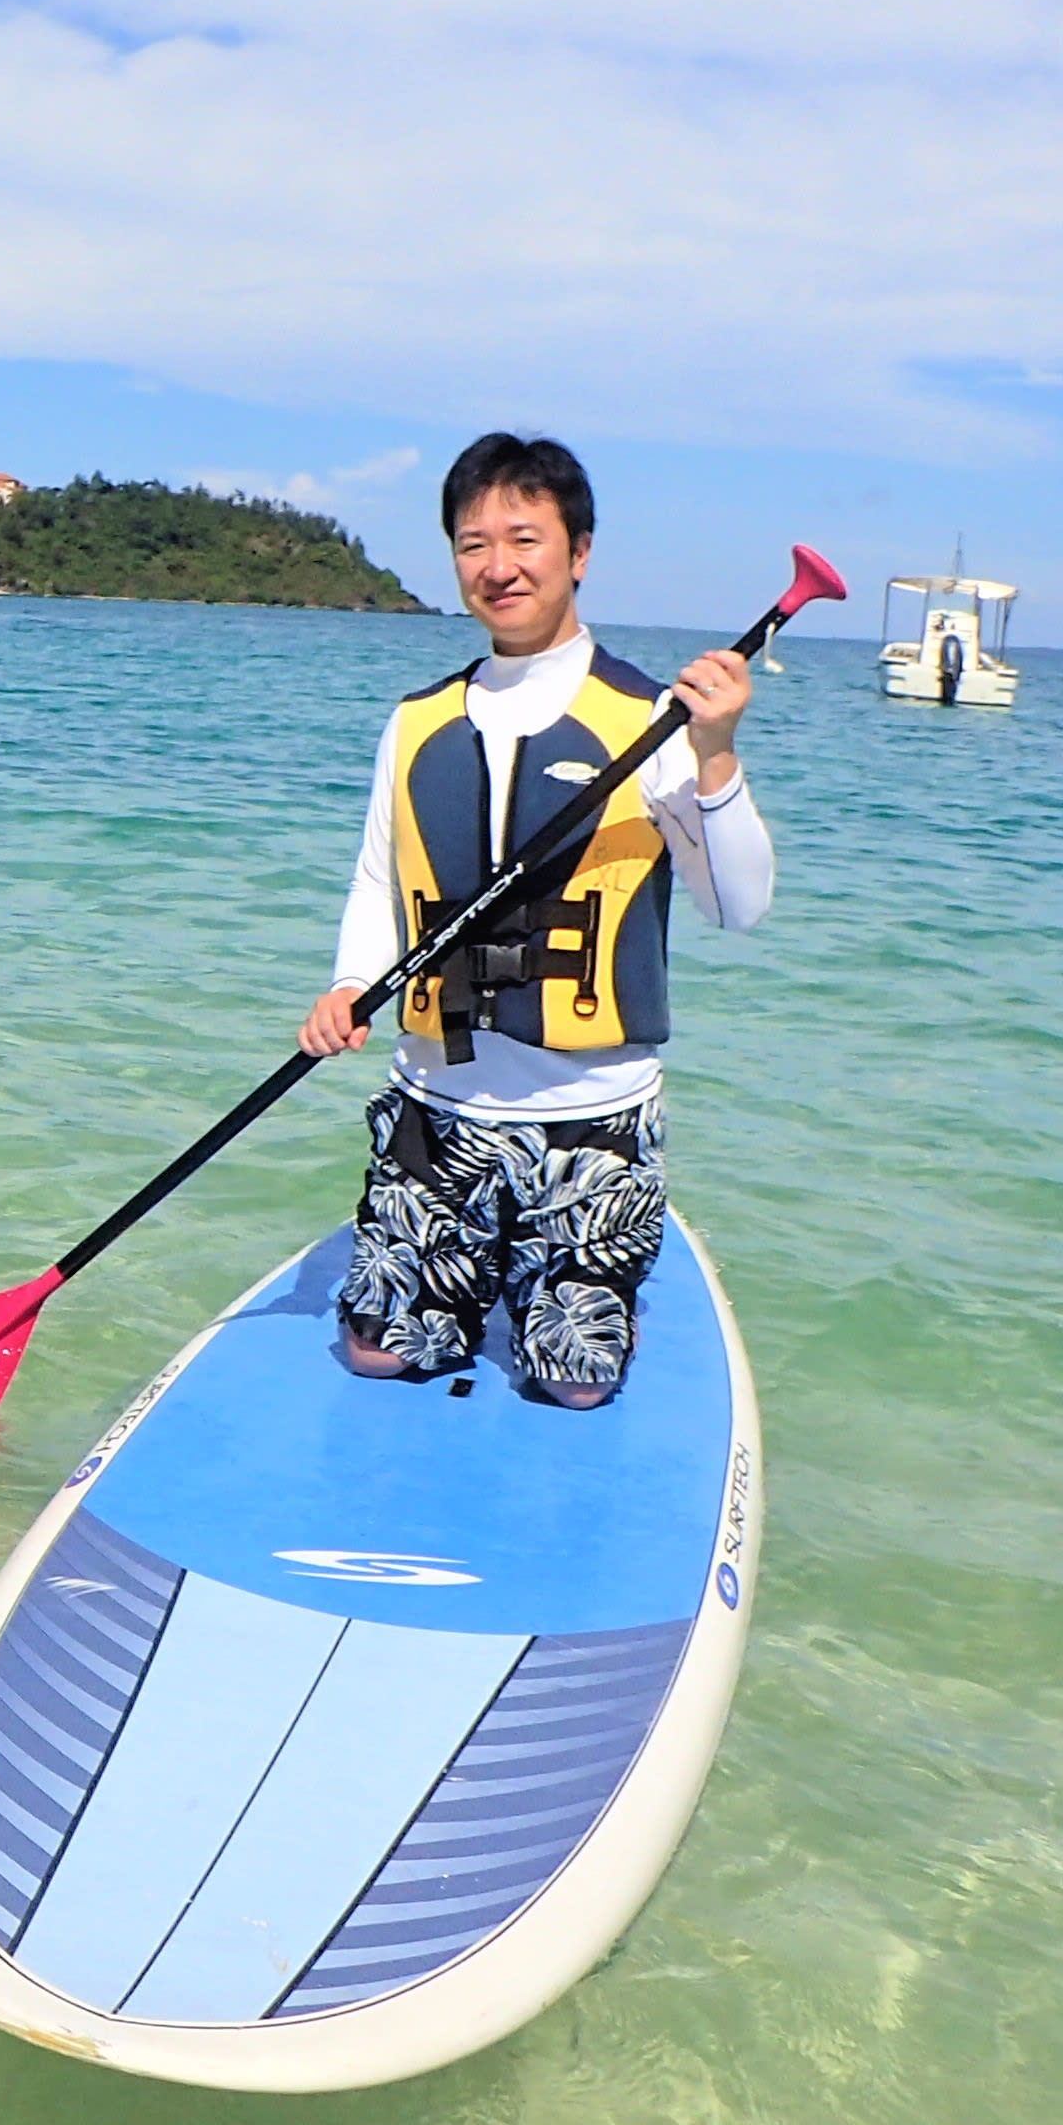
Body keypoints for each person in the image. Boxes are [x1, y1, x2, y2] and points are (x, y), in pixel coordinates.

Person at [297, 436, 774, 1409]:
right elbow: (378, 883)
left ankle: (562, 1266)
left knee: (572, 1385)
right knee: (383, 1354)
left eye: (525, 538)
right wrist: (350, 984)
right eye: (474, 544)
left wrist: (718, 754)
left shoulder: (655, 721)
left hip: (591, 1125)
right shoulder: (417, 722)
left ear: (580, 551)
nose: (498, 566)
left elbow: (740, 905)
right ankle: (473, 1263)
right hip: (437, 1116)